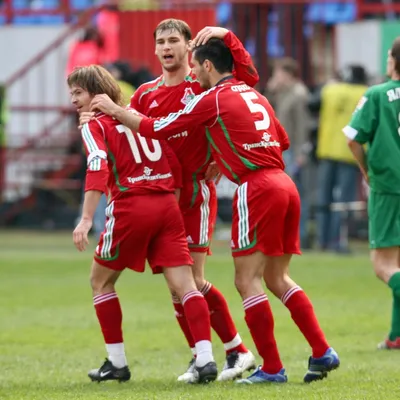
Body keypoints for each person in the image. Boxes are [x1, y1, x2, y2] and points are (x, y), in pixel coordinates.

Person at [89, 38, 340, 384]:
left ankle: (270, 367)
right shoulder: (256, 95)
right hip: (284, 183)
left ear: (208, 66)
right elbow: (282, 141)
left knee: (245, 280)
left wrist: (116, 111)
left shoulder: (213, 98)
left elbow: (158, 128)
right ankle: (322, 351)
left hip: (256, 187)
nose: (191, 70)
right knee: (276, 278)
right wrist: (225, 153)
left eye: (195, 64)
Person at [81, 20, 258, 383]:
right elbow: (127, 132)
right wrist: (95, 118)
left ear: (189, 46)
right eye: (160, 41)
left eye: (174, 40)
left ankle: (235, 349)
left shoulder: (203, 85)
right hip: (162, 195)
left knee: (193, 280)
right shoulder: (145, 95)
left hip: (195, 192)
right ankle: (205, 355)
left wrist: (228, 36)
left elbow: (246, 80)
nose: (166, 47)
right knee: (178, 286)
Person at [68, 65, 217, 384]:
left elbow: (97, 167)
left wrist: (84, 219)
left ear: (95, 93)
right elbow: (174, 164)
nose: (73, 100)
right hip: (167, 204)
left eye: (78, 93)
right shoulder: (136, 117)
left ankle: (117, 364)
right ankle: (205, 358)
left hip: (131, 206)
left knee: (100, 281)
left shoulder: (95, 126)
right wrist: (167, 208)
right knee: (186, 284)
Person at [343, 39, 400, 349]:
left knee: (383, 266)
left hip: (389, 186)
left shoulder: (378, 94)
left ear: (393, 61)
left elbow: (353, 138)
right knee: (398, 263)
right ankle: (396, 335)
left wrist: (367, 171)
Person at [316, 66, 367, 253]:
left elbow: (313, 104)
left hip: (327, 149)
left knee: (324, 198)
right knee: (344, 202)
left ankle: (322, 239)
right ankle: (338, 240)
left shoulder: (330, 90)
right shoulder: (364, 93)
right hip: (349, 152)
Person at [265, 57, 311, 248]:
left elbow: (302, 125)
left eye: (278, 73)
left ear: (288, 74)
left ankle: (299, 236)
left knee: (294, 194)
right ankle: (284, 235)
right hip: (279, 148)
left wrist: (302, 152)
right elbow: (265, 109)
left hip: (292, 150)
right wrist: (271, 90)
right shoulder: (282, 92)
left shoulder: (299, 94)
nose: (275, 77)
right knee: (282, 194)